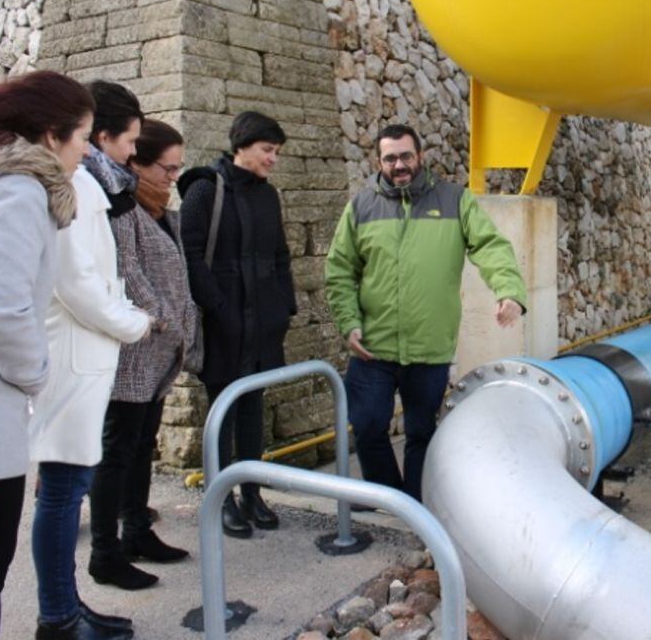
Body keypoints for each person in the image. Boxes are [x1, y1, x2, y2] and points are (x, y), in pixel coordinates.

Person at [0, 71, 93, 640]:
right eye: (82, 135)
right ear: (52, 135)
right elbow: (2, 310)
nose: (85, 149)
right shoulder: (19, 192)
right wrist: (34, 377)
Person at [324, 123, 527, 502]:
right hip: (373, 346)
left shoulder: (454, 199)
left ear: (420, 156)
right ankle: (387, 499)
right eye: (390, 158)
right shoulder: (361, 206)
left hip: (429, 345)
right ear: (379, 161)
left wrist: (509, 291)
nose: (398, 164)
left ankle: (416, 504)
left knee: (421, 432)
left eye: (405, 156)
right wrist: (348, 322)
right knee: (367, 426)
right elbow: (339, 270)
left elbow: (490, 246)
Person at [27, 102, 156, 635]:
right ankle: (58, 615)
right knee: (62, 492)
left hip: (84, 352)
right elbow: (77, 282)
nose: (89, 147)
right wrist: (135, 322)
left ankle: (66, 605)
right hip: (76, 355)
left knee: (68, 485)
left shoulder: (81, 184)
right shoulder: (68, 186)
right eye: (84, 136)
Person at [85, 92, 196, 591]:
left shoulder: (164, 215)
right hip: (133, 354)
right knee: (117, 453)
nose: (173, 179)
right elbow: (128, 274)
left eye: (177, 170)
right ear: (140, 164)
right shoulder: (122, 212)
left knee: (141, 447)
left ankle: (137, 531)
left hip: (160, 355)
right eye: (166, 170)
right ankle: (104, 552)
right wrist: (167, 319)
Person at [178, 111, 297, 538]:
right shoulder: (203, 192)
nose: (273, 159)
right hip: (223, 324)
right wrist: (220, 308)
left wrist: (286, 308)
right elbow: (189, 256)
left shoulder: (268, 196)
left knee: (252, 412)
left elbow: (281, 255)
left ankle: (252, 492)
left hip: (263, 323)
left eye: (277, 152)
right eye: (268, 150)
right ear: (242, 146)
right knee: (223, 413)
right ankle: (220, 496)